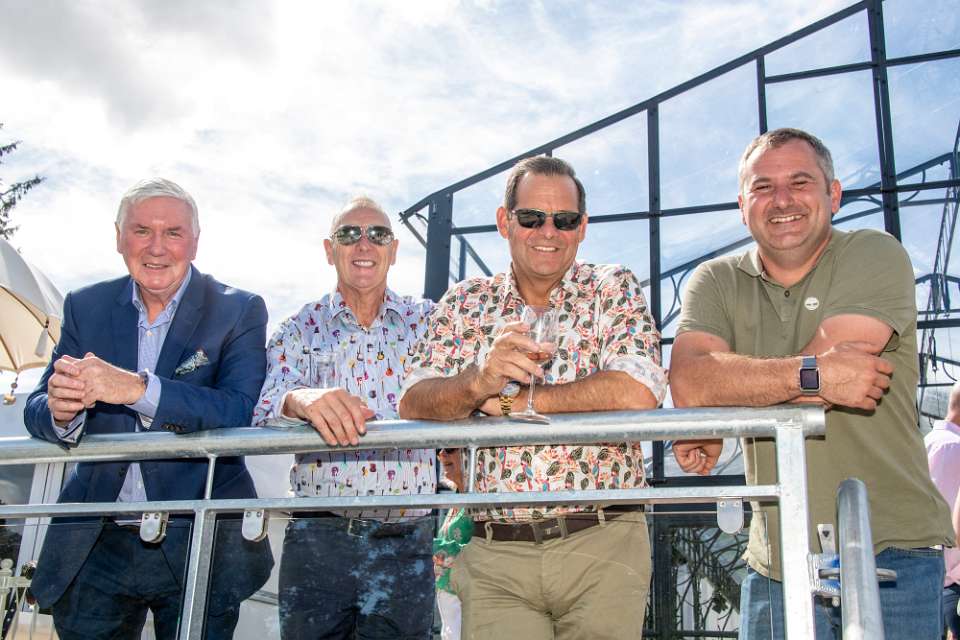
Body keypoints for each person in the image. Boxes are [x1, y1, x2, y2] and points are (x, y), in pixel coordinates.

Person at [669, 128, 954, 640]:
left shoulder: (873, 252)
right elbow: (688, 383)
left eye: (800, 182)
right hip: (775, 563)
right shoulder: (715, 280)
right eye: (762, 187)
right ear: (742, 206)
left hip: (893, 551)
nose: (782, 200)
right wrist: (814, 374)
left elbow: (849, 374)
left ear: (834, 194)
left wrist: (727, 390)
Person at [399, 156, 667, 639]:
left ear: (581, 228)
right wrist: (478, 382)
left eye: (564, 219)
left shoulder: (611, 288)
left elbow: (639, 389)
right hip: (495, 553)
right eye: (531, 217)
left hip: (603, 541)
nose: (549, 231)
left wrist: (515, 403)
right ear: (505, 222)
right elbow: (413, 400)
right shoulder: (465, 302)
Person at [23, 178, 273, 639]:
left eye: (173, 232)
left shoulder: (239, 309)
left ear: (195, 241)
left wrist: (136, 389)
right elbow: (36, 407)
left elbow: (239, 409)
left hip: (199, 536)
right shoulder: (86, 305)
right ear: (119, 237)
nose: (156, 247)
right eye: (141, 230)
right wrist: (61, 411)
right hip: (96, 540)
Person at [253, 196, 436, 639]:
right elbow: (264, 405)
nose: (364, 244)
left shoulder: (429, 322)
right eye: (349, 234)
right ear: (329, 249)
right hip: (319, 535)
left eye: (378, 234)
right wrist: (301, 398)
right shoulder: (299, 327)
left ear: (393, 250)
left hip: (406, 538)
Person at [925, 381, 960, 639]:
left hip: (932, 582)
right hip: (950, 583)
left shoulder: (927, 441)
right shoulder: (954, 448)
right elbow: (952, 528)